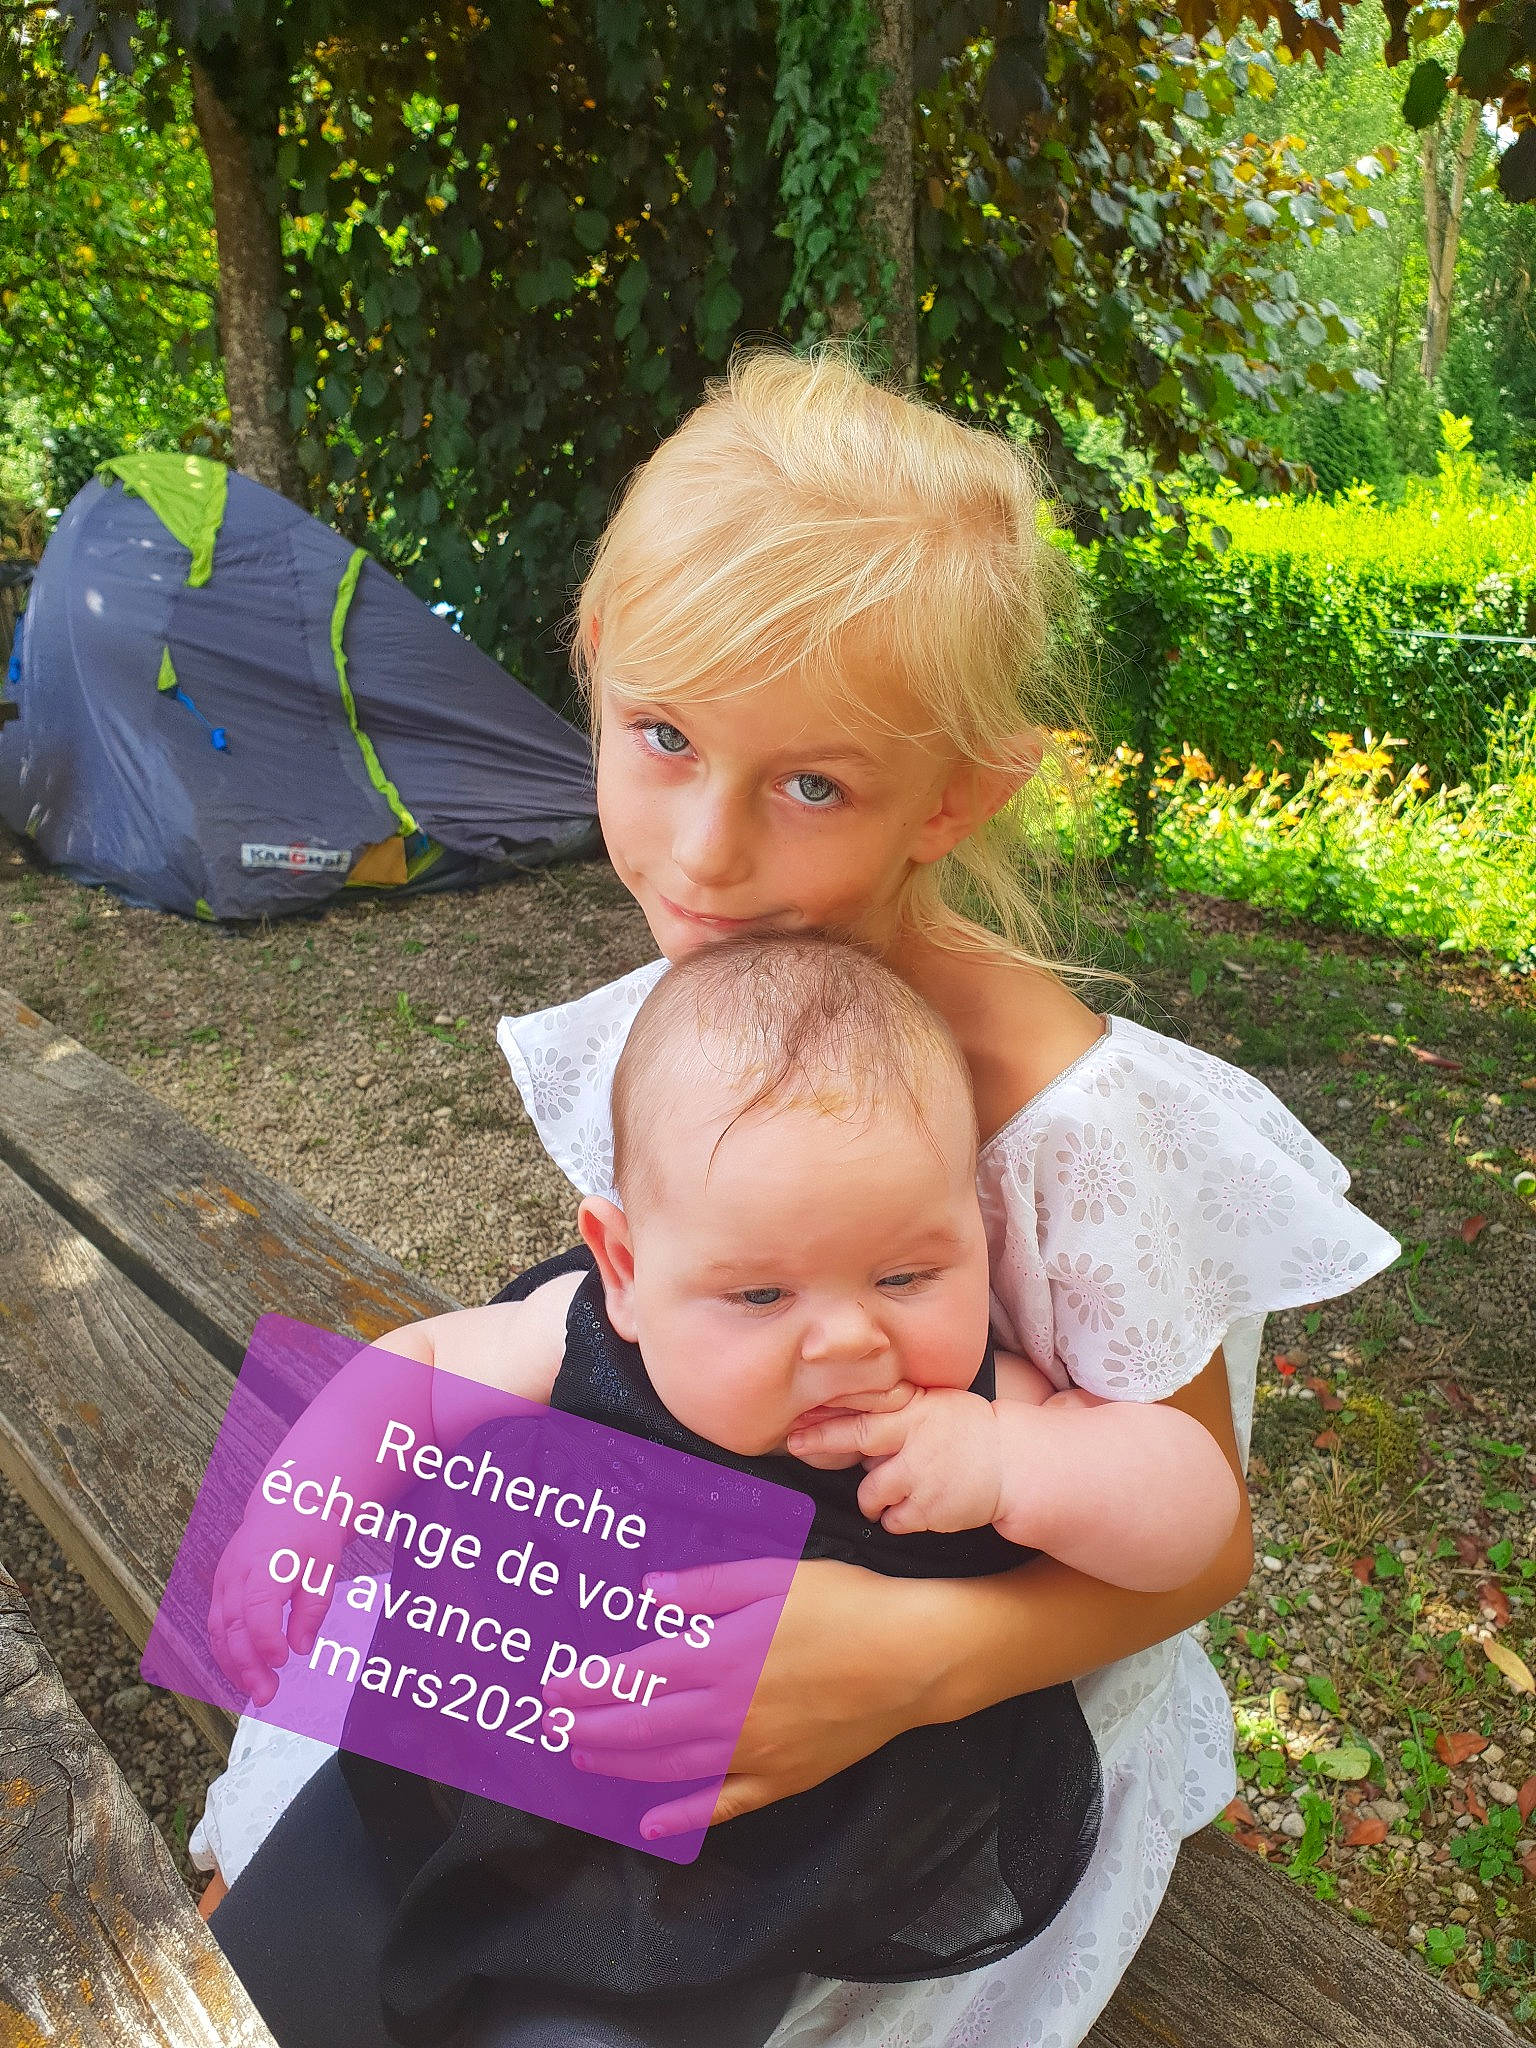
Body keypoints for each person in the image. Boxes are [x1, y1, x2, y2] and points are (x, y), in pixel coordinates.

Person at [195, 344, 1399, 2048]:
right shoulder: (707, 999)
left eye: (809, 784)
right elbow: (607, 1314)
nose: (700, 853)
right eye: (664, 738)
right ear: (600, 671)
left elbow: (1197, 1546)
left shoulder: (1079, 1129)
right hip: (653, 1601)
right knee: (294, 1919)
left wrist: (903, 1661)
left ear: (958, 794)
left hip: (941, 1720)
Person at [201, 934, 1243, 2046]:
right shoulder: (589, 1332)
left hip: (719, 1877)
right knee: (258, 1975)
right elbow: (422, 1367)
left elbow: (1193, 1510)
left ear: (977, 1238)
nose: (846, 1334)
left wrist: (1012, 1462)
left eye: (908, 1273)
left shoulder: (989, 1407)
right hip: (464, 1774)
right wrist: (301, 1494)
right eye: (758, 1291)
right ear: (628, 1270)